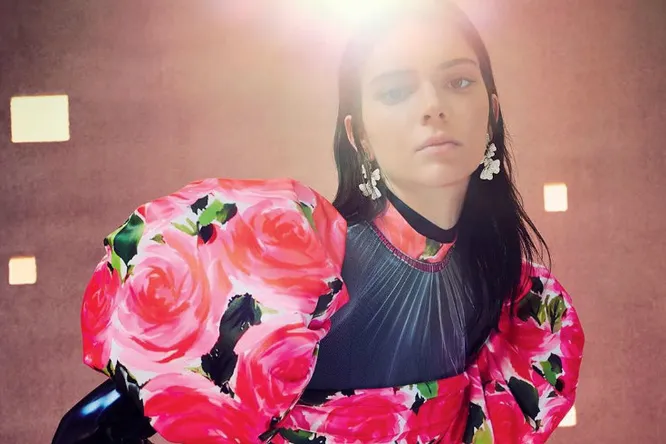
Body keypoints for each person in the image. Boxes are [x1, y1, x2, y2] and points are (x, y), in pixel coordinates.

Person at [52, 1, 584, 443]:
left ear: (492, 113)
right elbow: (88, 429)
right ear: (359, 136)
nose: (432, 106)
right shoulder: (293, 268)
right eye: (395, 91)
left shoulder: (519, 303)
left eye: (459, 81)